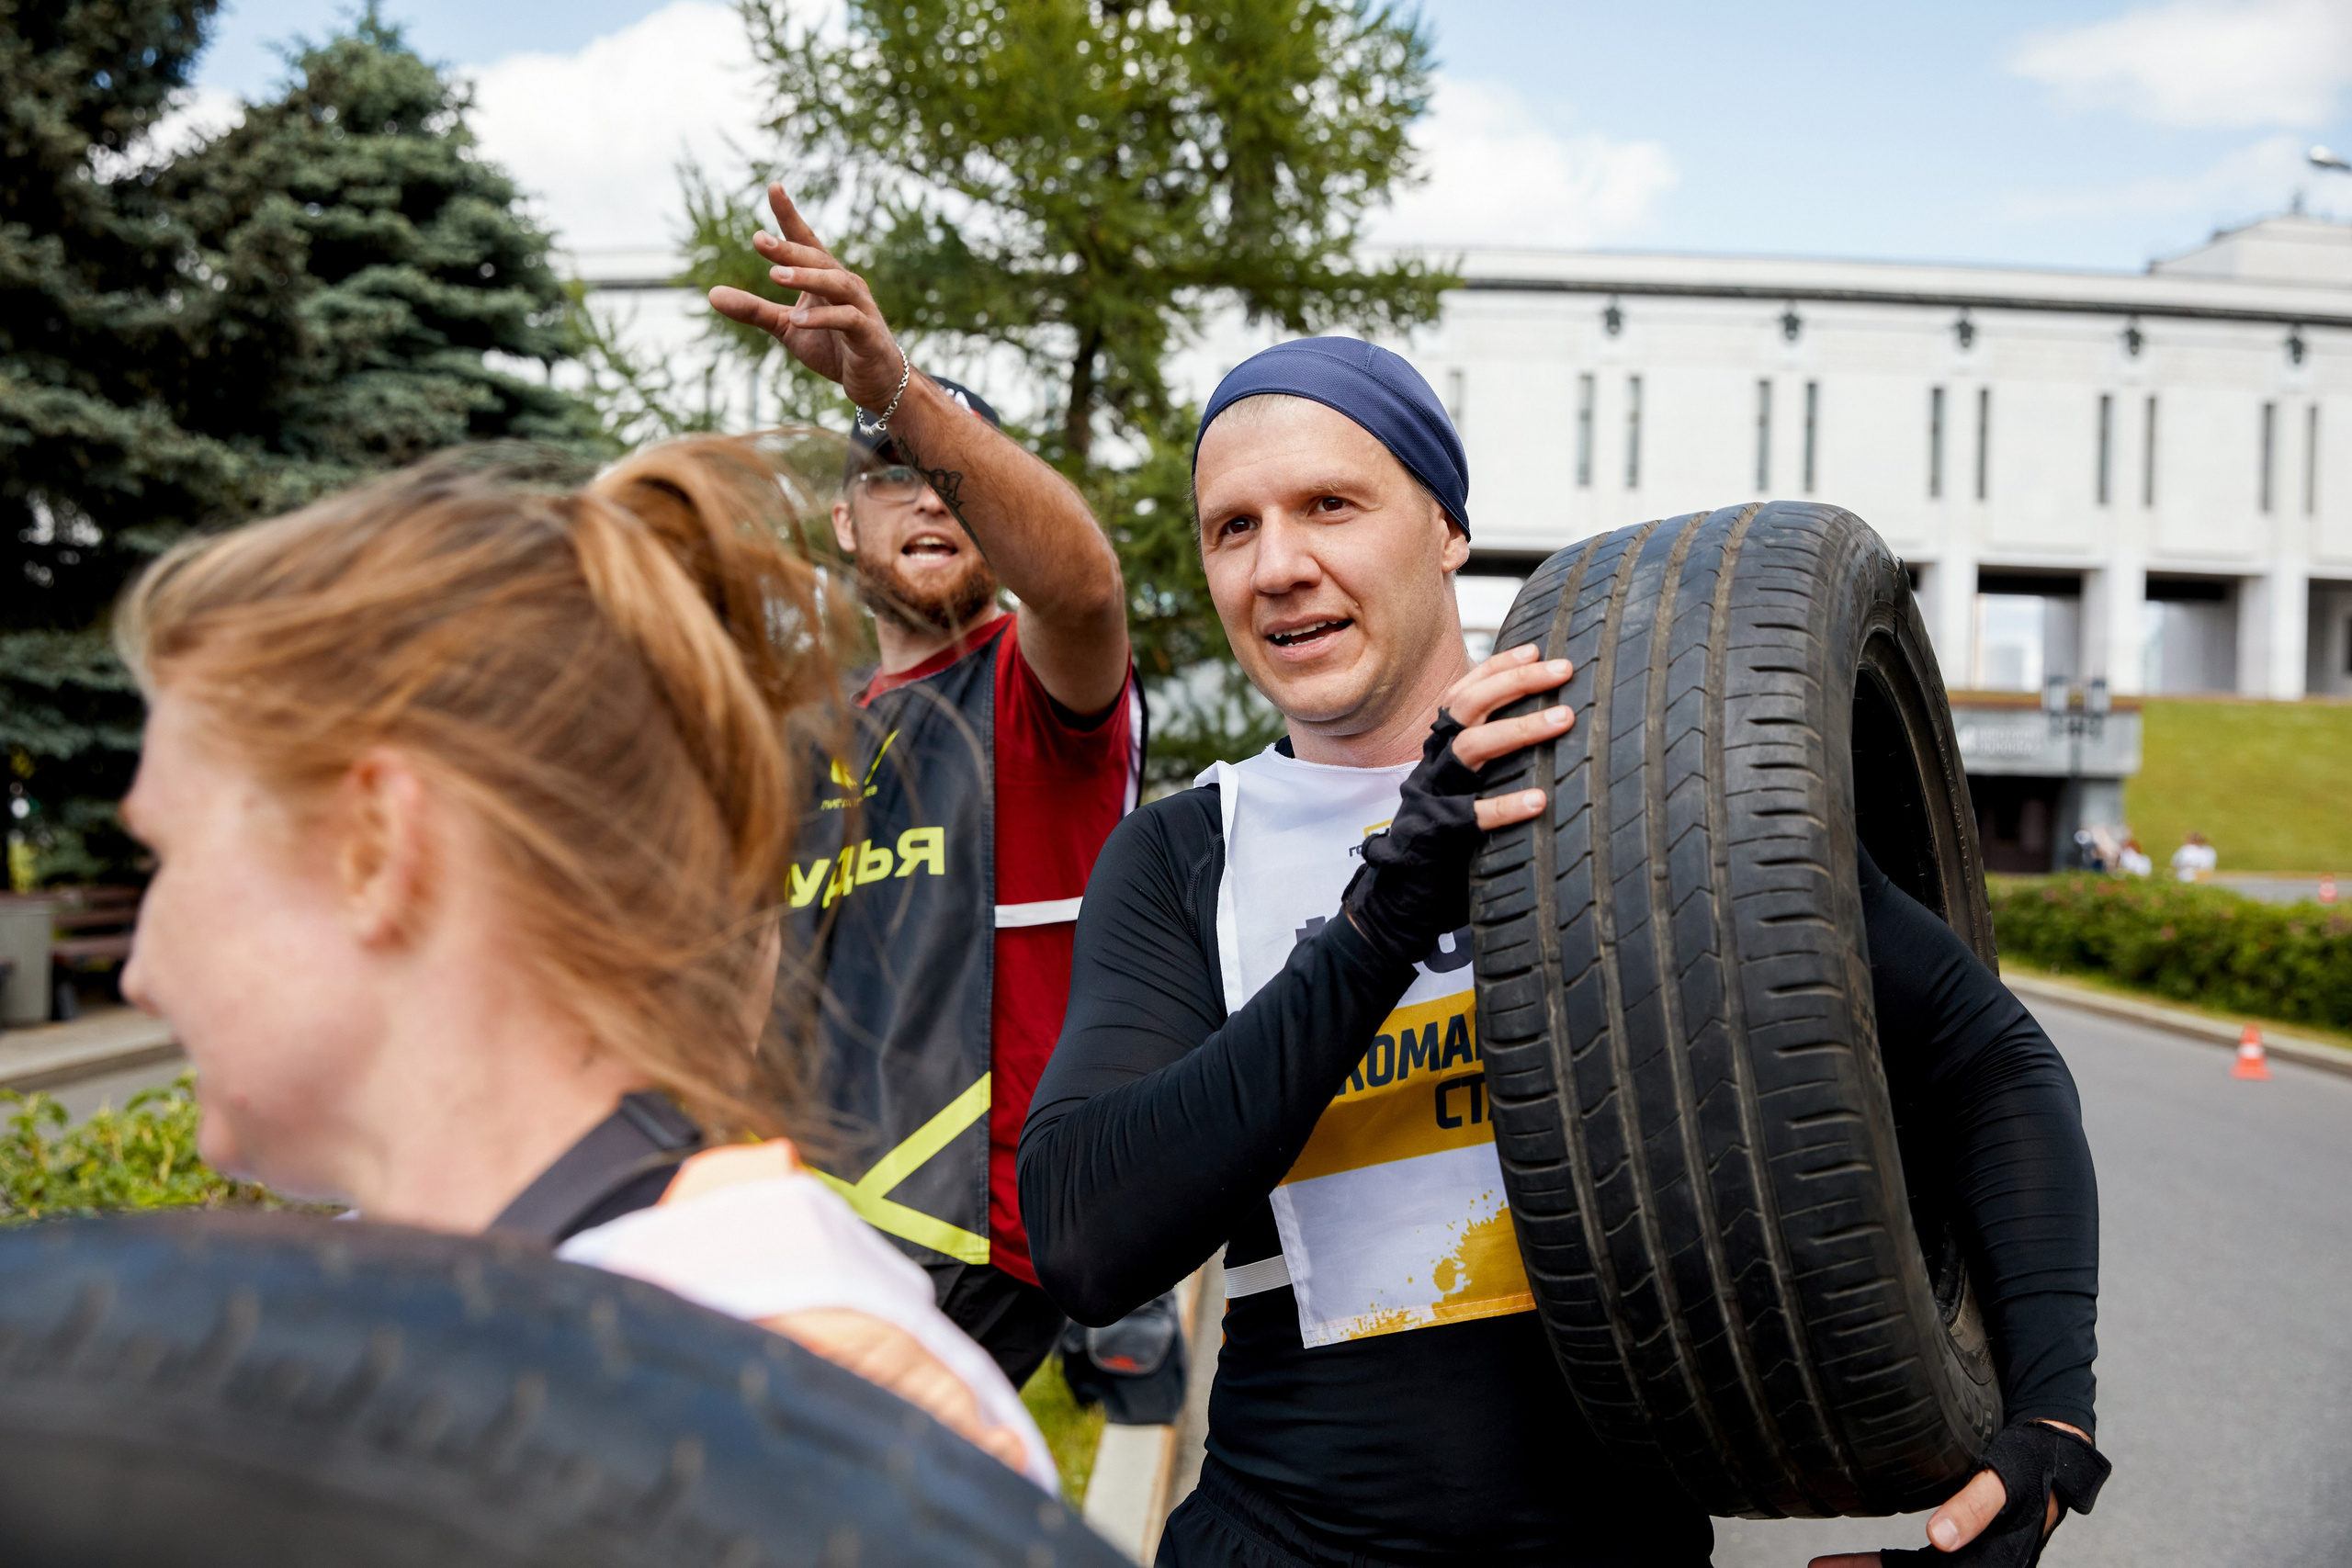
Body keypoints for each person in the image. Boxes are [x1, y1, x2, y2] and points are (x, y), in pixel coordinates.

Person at [1018, 338, 2107, 1565]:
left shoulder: (1646, 786)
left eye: (1331, 503)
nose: (1279, 564)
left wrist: (2053, 1415)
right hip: (1279, 1536)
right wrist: (1381, 919)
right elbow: (1085, 1234)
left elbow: (1989, 1062)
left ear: (1443, 526)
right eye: (1231, 527)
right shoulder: (1186, 851)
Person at [112, 437, 1054, 1492]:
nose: (138, 973)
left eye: (169, 857)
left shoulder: (795, 1390)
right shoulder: (512, 1309)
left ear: (377, 846)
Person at [711, 184, 1140, 1388]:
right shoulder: (809, 734)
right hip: (806, 1227)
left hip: (975, 1239)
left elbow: (1087, 589)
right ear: (845, 525)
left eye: (948, 470)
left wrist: (898, 393)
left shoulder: (1033, 679)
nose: (926, 491)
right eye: (892, 470)